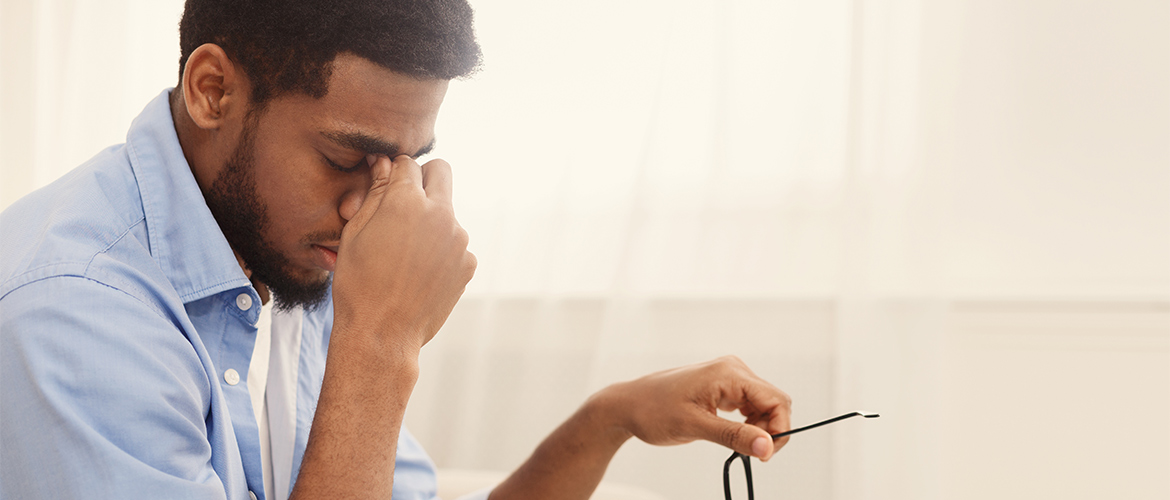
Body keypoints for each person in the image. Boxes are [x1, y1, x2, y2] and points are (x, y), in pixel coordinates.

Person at [0, 1, 793, 498]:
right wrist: (380, 340)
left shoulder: (276, 247)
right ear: (214, 90)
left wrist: (608, 418)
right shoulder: (74, 316)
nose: (371, 209)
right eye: (347, 159)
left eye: (402, 164)